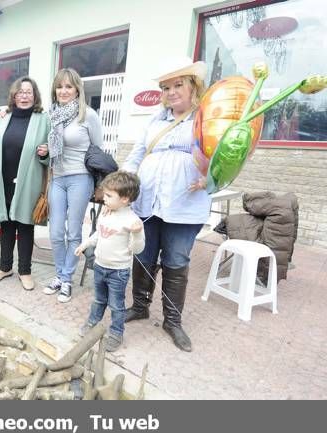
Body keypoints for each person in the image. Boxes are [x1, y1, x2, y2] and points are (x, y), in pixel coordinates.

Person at [121, 57, 210, 352]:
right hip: (148, 202)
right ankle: (140, 306)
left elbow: (224, 159)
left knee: (175, 261)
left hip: (184, 205)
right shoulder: (155, 121)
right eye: (166, 87)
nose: (171, 92)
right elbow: (136, 155)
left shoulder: (205, 119)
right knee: (143, 255)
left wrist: (211, 181)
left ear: (192, 87)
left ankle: (173, 321)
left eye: (178, 85)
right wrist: (120, 183)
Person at [0, 76, 50, 291]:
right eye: (20, 92)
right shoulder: (3, 119)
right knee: (6, 224)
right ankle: (5, 267)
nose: (24, 96)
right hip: (3, 179)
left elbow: (53, 151)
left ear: (34, 96)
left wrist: (46, 154)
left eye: (28, 92)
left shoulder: (43, 119)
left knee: (25, 225)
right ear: (14, 96)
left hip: (28, 180)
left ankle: (25, 271)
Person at [43, 68, 104, 303]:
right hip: (57, 176)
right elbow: (52, 145)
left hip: (80, 176)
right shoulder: (52, 115)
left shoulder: (88, 115)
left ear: (77, 89)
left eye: (69, 86)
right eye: (60, 86)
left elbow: (97, 149)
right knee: (56, 231)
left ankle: (67, 278)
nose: (64, 91)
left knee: (73, 231)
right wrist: (46, 150)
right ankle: (59, 275)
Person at [74, 171, 145, 352]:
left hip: (118, 271)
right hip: (100, 266)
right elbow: (99, 233)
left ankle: (116, 333)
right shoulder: (106, 213)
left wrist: (136, 233)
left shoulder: (133, 221)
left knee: (116, 305)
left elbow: (137, 249)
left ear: (125, 199)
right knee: (98, 300)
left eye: (108, 195)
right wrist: (85, 244)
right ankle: (92, 323)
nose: (103, 198)